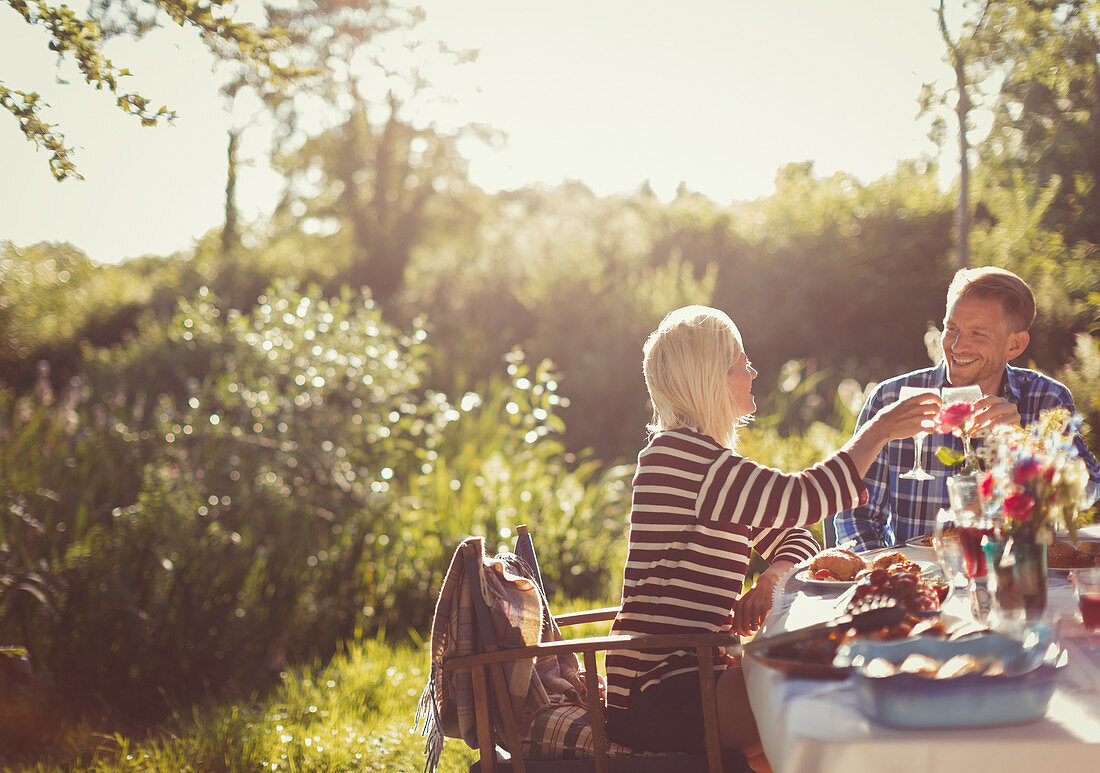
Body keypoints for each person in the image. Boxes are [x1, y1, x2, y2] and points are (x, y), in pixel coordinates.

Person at [603, 305, 935, 773]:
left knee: (799, 712)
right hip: (660, 687)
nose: (752, 370)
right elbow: (802, 498)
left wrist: (773, 576)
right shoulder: (680, 459)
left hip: (695, 672)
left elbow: (795, 534)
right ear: (709, 376)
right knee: (819, 696)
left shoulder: (703, 461)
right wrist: (878, 430)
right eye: (741, 360)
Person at [833, 266, 1100, 551]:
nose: (958, 346)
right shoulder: (890, 398)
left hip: (1014, 577)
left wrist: (1025, 445)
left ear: (1015, 345)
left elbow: (1088, 493)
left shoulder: (1047, 398)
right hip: (921, 584)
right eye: (952, 329)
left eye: (978, 333)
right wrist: (887, 574)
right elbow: (854, 515)